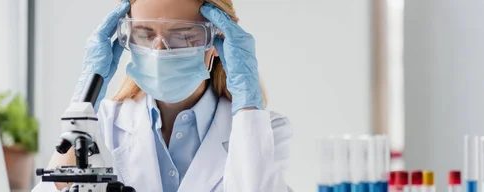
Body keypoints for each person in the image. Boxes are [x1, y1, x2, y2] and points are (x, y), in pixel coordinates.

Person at [32, 0, 293, 191]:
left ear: (217, 40)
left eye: (183, 36)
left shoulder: (265, 130)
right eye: (144, 35)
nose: (159, 52)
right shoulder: (103, 125)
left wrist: (247, 105)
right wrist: (83, 105)